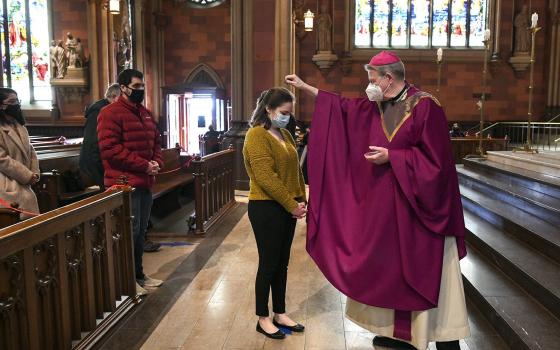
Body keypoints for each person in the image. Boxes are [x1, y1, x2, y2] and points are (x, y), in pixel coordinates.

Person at [286, 51, 469, 350]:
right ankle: (401, 335)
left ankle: (441, 341)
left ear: (388, 78)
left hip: (421, 214)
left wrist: (393, 157)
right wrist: (308, 89)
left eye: (372, 79)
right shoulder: (377, 105)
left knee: (427, 274)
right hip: (388, 211)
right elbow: (342, 108)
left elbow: (438, 165)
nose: (368, 85)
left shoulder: (425, 107)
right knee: (390, 270)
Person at [243, 87, 307, 340]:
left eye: (289, 113)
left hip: (286, 205)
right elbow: (265, 177)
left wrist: (301, 199)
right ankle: (263, 318)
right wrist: (290, 204)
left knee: (282, 263)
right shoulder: (256, 135)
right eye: (283, 112)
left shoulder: (285, 135)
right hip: (266, 207)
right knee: (268, 264)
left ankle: (280, 313)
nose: (287, 118)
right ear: (268, 110)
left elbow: (296, 172)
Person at [98, 69, 164, 296]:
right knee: (128, 232)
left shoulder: (144, 113)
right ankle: (126, 280)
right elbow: (111, 149)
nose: (141, 90)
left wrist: (156, 161)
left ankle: (139, 275)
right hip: (124, 183)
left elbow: (156, 141)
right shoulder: (110, 113)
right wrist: (143, 165)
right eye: (136, 86)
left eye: (142, 86)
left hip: (144, 182)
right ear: (123, 87)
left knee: (140, 232)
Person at [0, 88, 40, 219]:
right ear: (2, 105)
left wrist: (34, 173)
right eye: (11, 101)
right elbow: (2, 159)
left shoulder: (19, 126)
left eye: (17, 101)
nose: (16, 104)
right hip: (6, 182)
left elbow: (30, 150)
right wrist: (26, 175)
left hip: (23, 182)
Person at [80, 83, 120, 190]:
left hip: (102, 164)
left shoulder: (108, 110)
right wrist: (102, 169)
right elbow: (93, 144)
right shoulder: (97, 113)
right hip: (95, 166)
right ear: (113, 98)